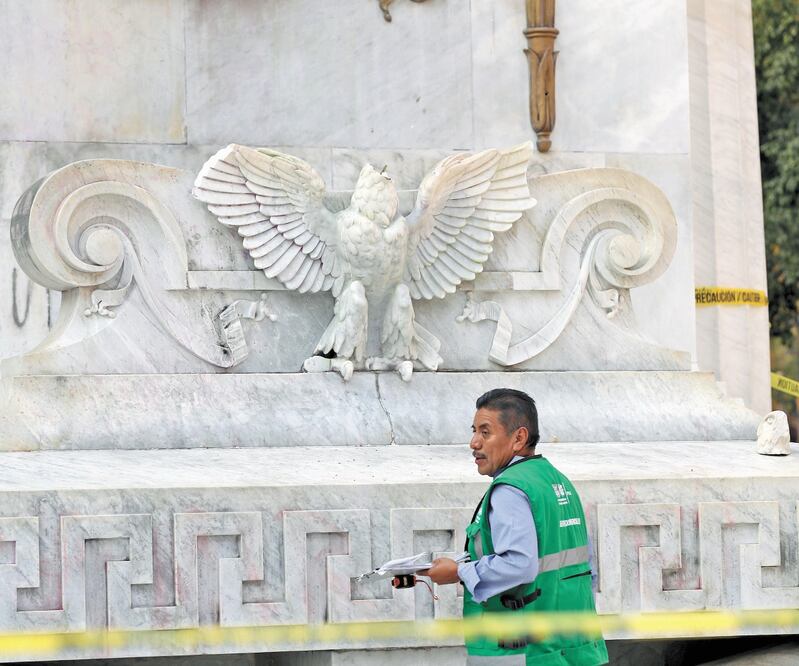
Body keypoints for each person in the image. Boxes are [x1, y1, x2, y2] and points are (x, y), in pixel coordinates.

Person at [422, 388, 608, 665]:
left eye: (485, 432)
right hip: (575, 647)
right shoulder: (555, 480)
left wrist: (459, 572)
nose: (474, 443)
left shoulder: (510, 489)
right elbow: (580, 566)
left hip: (523, 652)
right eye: (474, 431)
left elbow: (520, 564)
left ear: (518, 438)